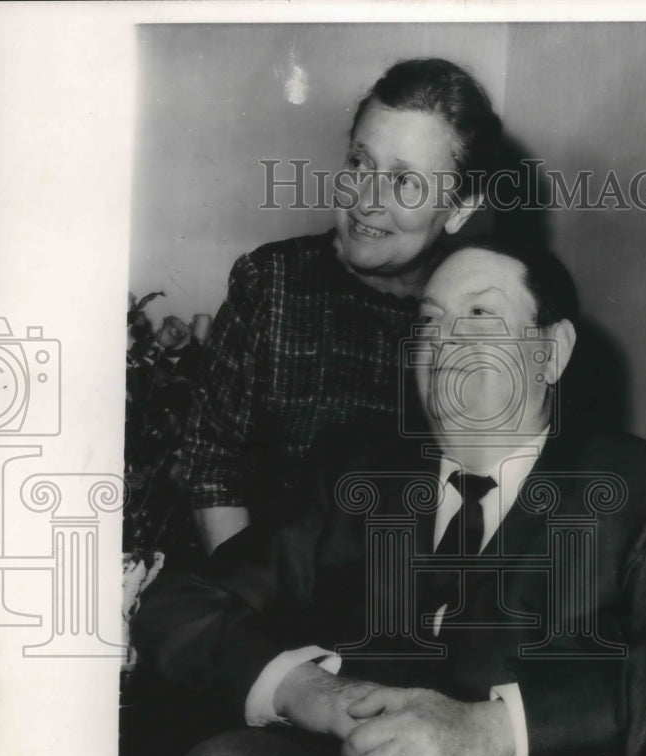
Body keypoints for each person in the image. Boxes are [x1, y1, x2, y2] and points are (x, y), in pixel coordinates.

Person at [133, 239, 646, 756]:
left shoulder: (640, 486)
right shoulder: (358, 474)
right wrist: (306, 690)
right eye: (429, 322)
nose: (445, 341)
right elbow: (182, 605)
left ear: (551, 352)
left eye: (480, 315)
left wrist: (498, 732)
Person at [183, 58, 501, 553]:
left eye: (406, 182)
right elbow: (213, 470)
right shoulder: (272, 284)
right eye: (360, 163)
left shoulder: (483, 322)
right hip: (262, 592)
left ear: (460, 208)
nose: (366, 200)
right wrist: (257, 611)